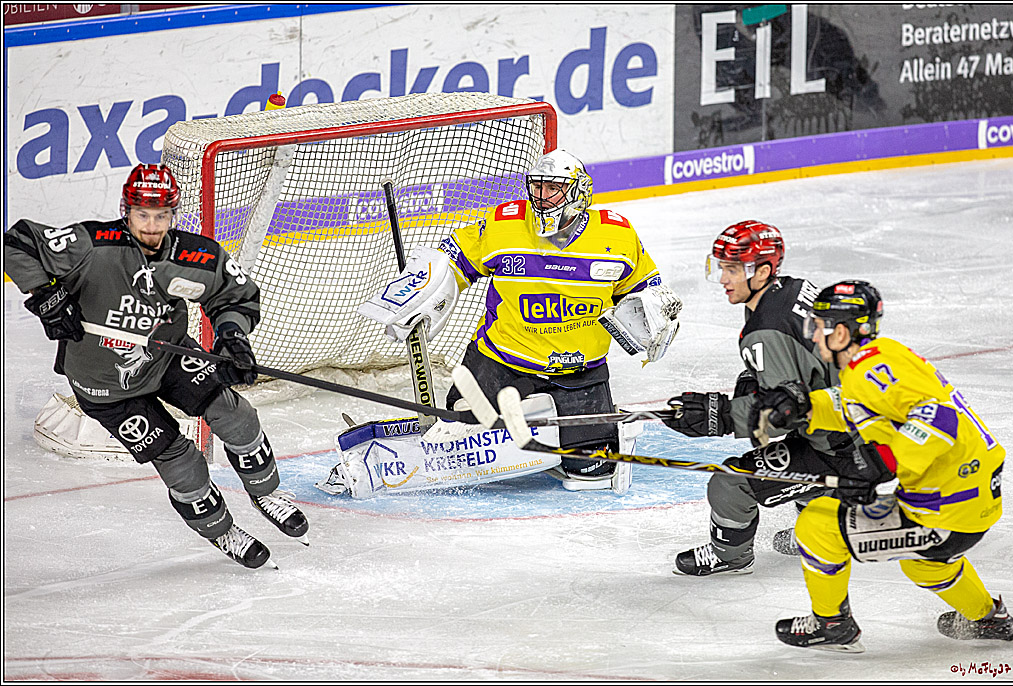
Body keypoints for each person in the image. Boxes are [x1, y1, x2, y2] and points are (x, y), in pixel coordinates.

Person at [3, 163, 309, 569]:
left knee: (235, 415)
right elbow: (17, 242)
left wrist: (232, 336)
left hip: (167, 357)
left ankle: (265, 492)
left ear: (173, 214)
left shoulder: (192, 256)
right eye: (142, 215)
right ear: (126, 210)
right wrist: (47, 295)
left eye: (161, 215)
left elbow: (233, 295)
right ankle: (221, 531)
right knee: (181, 461)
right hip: (104, 385)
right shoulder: (90, 245)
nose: (151, 226)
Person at [358, 149, 682, 491]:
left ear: (579, 193)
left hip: (579, 373)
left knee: (591, 471)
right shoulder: (505, 224)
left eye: (553, 188)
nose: (541, 197)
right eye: (537, 187)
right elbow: (452, 259)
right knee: (462, 441)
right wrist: (420, 290)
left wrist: (657, 316)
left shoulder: (616, 235)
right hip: (501, 361)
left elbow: (647, 289)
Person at [755, 280, 1013, 651]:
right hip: (973, 498)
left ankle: (832, 625)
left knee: (817, 524)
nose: (812, 334)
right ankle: (990, 619)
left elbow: (939, 418)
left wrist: (881, 465)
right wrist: (808, 407)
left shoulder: (867, 371)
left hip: (945, 509)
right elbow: (857, 404)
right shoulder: (881, 356)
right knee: (925, 563)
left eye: (818, 326)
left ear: (840, 333)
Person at [662, 220, 859, 576]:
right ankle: (825, 519)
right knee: (776, 423)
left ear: (764, 271)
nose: (723, 279)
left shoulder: (765, 328)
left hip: (842, 451)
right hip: (858, 424)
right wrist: (753, 387)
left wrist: (720, 416)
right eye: (721, 267)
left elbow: (784, 414)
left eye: (733, 269)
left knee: (729, 482)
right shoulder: (791, 289)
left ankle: (732, 555)